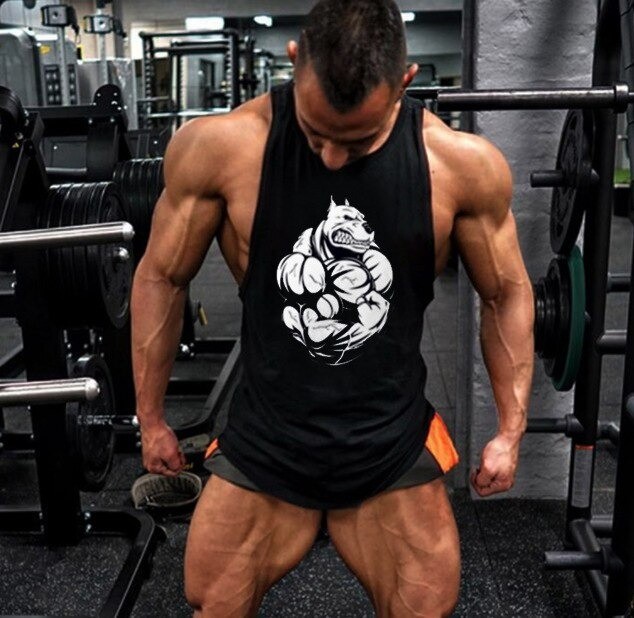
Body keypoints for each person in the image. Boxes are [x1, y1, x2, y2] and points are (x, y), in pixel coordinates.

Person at [130, 0, 535, 615]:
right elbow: (161, 277)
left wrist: (510, 429)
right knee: (211, 602)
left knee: (425, 606)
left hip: (388, 441)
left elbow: (505, 293)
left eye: (358, 140)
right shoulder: (222, 149)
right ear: (295, 61)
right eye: (316, 134)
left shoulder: (459, 167)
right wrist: (151, 416)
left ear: (406, 81)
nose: (332, 160)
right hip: (266, 438)